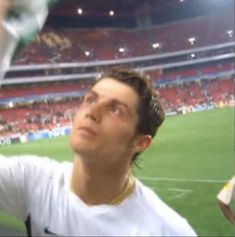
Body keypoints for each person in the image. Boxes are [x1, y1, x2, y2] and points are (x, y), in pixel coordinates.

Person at [0, 66, 196, 236]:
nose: (92, 112)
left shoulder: (167, 230)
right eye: (90, 100)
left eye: (115, 110)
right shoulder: (34, 180)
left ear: (140, 143)